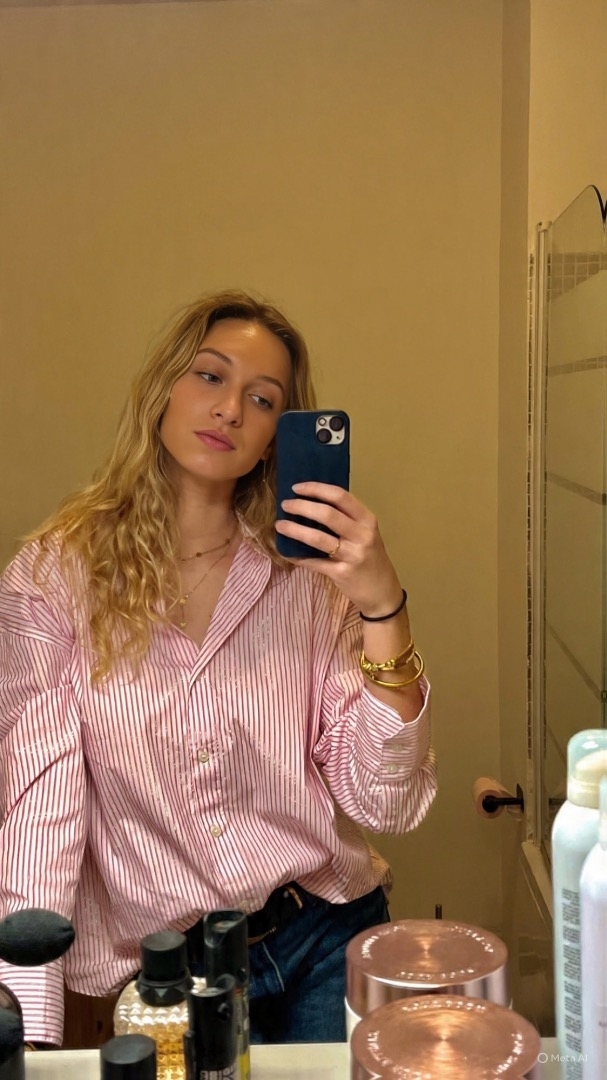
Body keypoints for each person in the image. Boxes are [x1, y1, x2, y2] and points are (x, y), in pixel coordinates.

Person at [0, 290, 437, 1047]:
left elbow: (385, 801)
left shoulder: (309, 579)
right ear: (162, 389)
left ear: (273, 439)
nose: (230, 409)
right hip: (170, 977)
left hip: (325, 936)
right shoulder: (54, 579)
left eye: (261, 399)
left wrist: (381, 605)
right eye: (209, 376)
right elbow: (39, 811)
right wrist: (24, 1032)